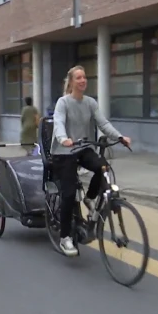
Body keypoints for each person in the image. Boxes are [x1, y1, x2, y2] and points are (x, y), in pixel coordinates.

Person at [51, 65, 132, 257]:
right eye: (78, 78)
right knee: (69, 195)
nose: (82, 80)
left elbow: (103, 123)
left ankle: (89, 197)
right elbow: (58, 122)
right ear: (71, 82)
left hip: (83, 148)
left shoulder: (90, 103)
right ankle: (65, 238)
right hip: (65, 151)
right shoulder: (63, 102)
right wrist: (63, 138)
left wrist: (120, 137)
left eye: (84, 77)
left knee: (103, 166)